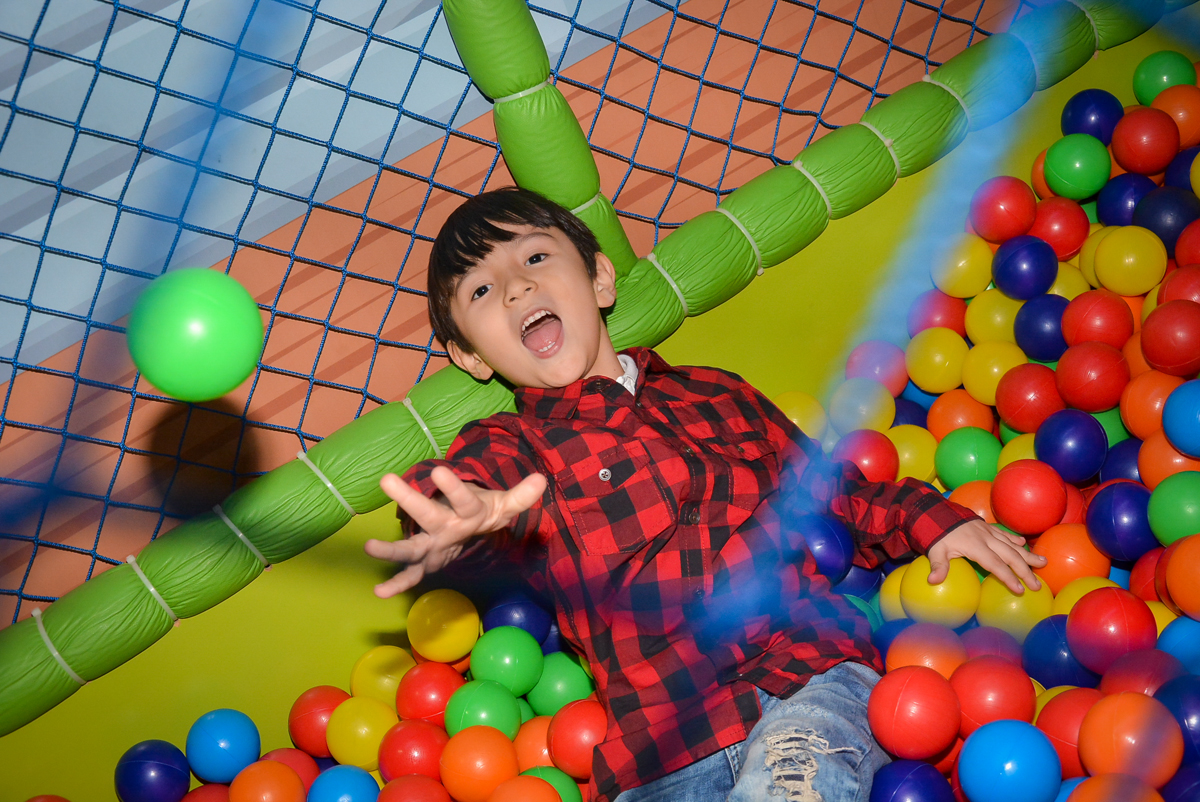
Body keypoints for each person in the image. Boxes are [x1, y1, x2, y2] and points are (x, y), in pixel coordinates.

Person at [364, 187, 1045, 802]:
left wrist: (931, 519)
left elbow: (832, 495)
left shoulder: (715, 393)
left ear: (599, 278)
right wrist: (462, 512)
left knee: (787, 786)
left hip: (805, 681)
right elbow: (467, 483)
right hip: (657, 756)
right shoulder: (517, 451)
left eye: (535, 258)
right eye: (480, 292)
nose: (514, 288)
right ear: (471, 357)